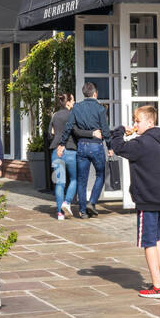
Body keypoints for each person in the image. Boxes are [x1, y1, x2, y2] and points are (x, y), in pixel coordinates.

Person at [108, 104, 160, 298]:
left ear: (150, 122)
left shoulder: (142, 144)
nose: (135, 124)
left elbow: (118, 146)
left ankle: (157, 286)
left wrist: (121, 130)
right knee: (156, 237)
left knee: (148, 242)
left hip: (147, 199)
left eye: (138, 121)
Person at [60, 82, 110, 217]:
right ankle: (92, 202)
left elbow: (69, 127)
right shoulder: (100, 109)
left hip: (82, 146)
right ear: (95, 94)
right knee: (101, 174)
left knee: (82, 180)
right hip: (96, 146)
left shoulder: (77, 108)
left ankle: (82, 211)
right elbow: (105, 130)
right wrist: (110, 146)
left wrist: (62, 143)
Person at [48, 92, 77, 220]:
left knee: (59, 183)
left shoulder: (55, 116)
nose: (74, 103)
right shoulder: (73, 115)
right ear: (69, 102)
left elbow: (50, 134)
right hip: (71, 150)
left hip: (56, 151)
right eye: (73, 100)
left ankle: (60, 213)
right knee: (74, 179)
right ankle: (67, 202)